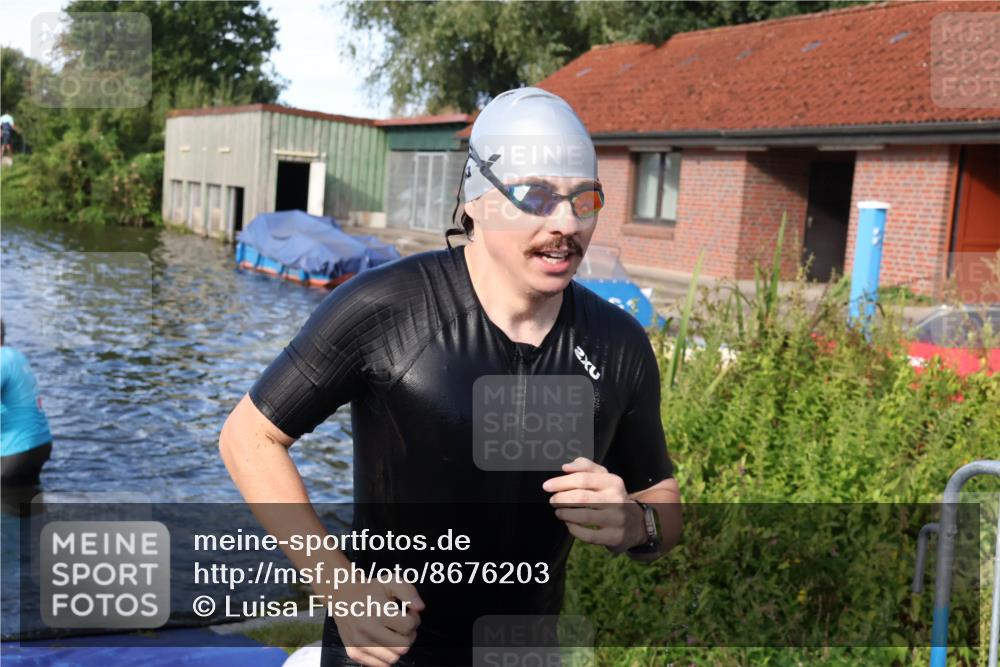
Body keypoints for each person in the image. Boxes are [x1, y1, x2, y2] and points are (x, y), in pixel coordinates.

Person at [220, 87, 682, 667]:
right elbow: (249, 437)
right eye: (537, 196)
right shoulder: (386, 308)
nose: (566, 222)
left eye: (583, 199)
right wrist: (339, 586)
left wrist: (633, 524)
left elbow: (662, 504)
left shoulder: (618, 344)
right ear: (477, 200)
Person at [1, 319, 53, 485]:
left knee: (7, 504)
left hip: (16, 451)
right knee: (25, 502)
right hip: (40, 444)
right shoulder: (16, 355)